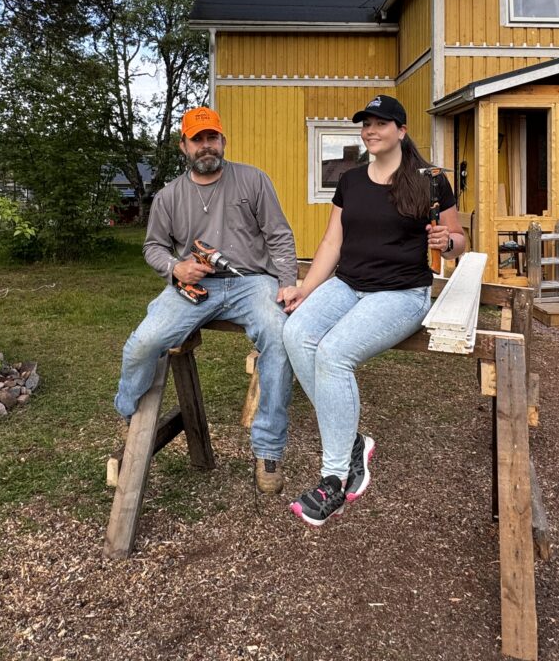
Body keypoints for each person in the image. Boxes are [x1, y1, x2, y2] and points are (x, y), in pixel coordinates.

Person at [281, 95, 464, 525]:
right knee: (295, 333)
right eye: (366, 124)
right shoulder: (351, 180)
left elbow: (459, 240)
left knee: (333, 355)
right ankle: (353, 442)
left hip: (401, 293)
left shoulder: (430, 180)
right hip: (348, 284)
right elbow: (332, 243)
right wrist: (306, 289)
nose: (370, 130)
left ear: (401, 131)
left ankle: (334, 476)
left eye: (381, 123)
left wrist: (447, 243)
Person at [114, 106, 298, 494]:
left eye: (212, 137)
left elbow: (279, 235)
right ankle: (128, 413)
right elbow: (153, 247)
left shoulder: (253, 180)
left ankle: (268, 450)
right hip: (196, 288)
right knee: (143, 343)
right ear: (184, 145)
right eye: (197, 139)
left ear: (223, 141)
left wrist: (287, 283)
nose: (206, 145)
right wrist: (176, 268)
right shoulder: (168, 197)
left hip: (252, 283)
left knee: (280, 337)